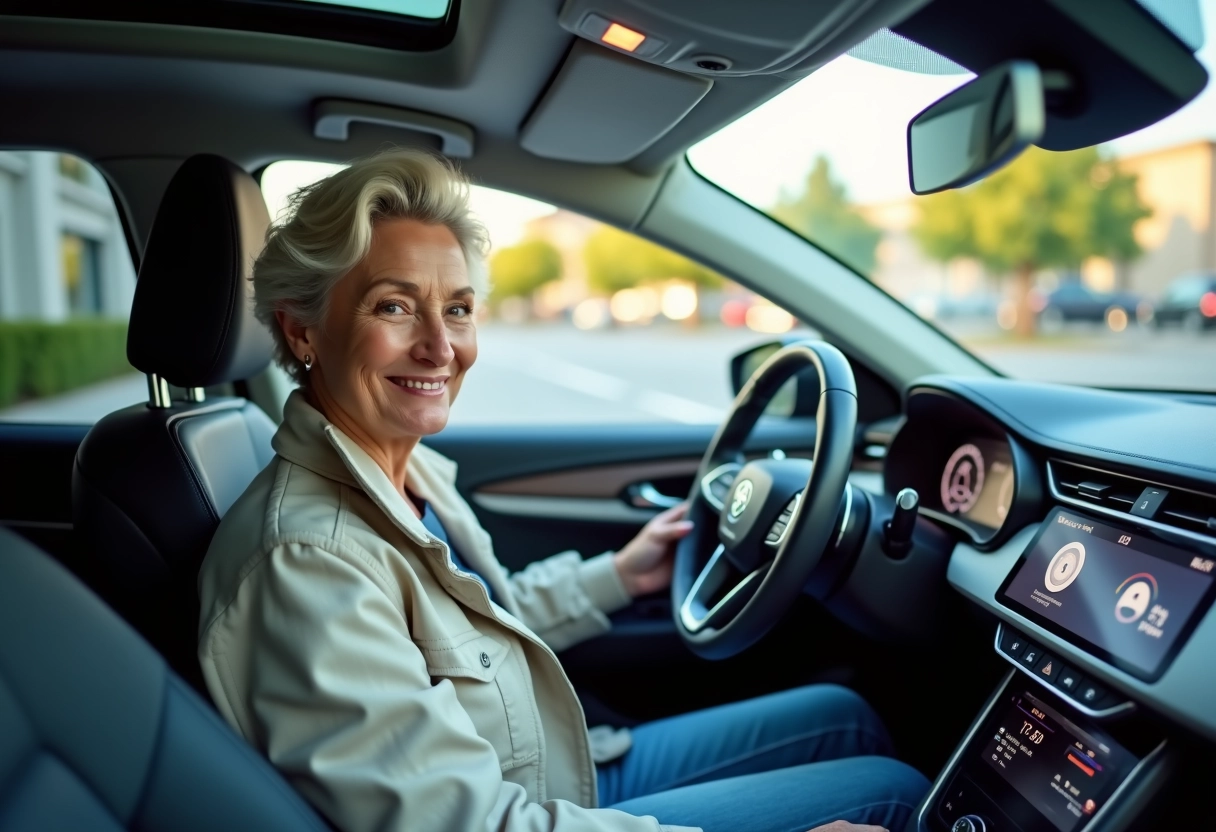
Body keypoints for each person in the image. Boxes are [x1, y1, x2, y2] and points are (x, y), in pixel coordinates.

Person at [197, 149, 929, 832]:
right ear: (302, 333)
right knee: (892, 792)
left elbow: (478, 636)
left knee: (843, 715)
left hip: (557, 774)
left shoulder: (400, 471)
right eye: (393, 306)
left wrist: (617, 576)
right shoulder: (306, 562)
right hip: (533, 808)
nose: (441, 346)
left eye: (456, 308)